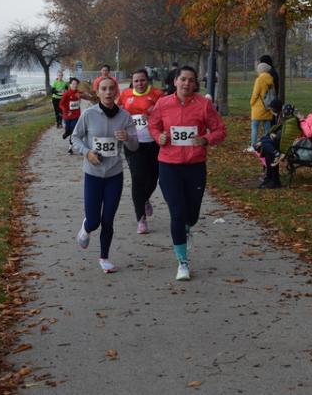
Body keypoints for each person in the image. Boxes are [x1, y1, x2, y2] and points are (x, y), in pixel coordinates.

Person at [147, 65, 226, 281]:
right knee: (177, 212)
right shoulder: (163, 103)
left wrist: (205, 139)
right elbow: (153, 126)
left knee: (191, 215)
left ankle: (187, 227)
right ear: (175, 81)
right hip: (169, 165)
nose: (186, 83)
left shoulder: (204, 104)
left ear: (195, 83)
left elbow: (220, 130)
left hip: (195, 166)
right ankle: (182, 262)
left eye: (191, 80)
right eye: (183, 79)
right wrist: (159, 137)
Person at [72, 76, 139, 273]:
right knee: (94, 221)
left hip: (114, 175)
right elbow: (75, 138)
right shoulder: (89, 114)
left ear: (116, 91)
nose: (108, 92)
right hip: (93, 174)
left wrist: (128, 138)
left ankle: (104, 258)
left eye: (111, 88)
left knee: (108, 219)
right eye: (104, 89)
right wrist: (87, 153)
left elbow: (134, 146)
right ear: (98, 92)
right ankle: (86, 227)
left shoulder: (125, 116)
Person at [118, 68, 164, 234]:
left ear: (147, 80)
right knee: (137, 178)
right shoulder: (125, 95)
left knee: (153, 177)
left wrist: (151, 118)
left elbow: (166, 116)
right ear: (132, 82)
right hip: (133, 144)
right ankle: (141, 219)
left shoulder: (158, 95)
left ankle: (145, 199)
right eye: (136, 81)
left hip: (154, 143)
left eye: (142, 80)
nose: (139, 83)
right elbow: (117, 113)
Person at [254, 95, 312, 188]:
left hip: (302, 147)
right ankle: (271, 178)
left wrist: (302, 120)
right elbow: (302, 129)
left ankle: (273, 179)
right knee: (267, 142)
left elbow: (309, 134)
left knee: (267, 145)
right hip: (298, 143)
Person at [248, 57, 277, 152]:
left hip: (258, 107)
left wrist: (251, 102)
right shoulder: (271, 79)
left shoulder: (259, 80)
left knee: (255, 127)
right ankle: (266, 145)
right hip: (267, 107)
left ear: (260, 70)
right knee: (267, 128)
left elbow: (255, 94)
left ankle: (253, 146)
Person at [58, 77, 83, 154]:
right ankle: (66, 133)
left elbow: (85, 96)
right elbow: (61, 104)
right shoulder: (66, 94)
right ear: (70, 84)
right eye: (73, 84)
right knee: (68, 130)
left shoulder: (79, 93)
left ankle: (70, 148)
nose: (75, 85)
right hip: (67, 115)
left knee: (73, 131)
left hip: (76, 115)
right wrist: (67, 111)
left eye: (76, 84)